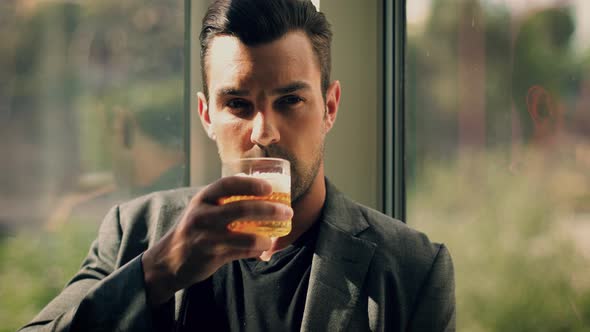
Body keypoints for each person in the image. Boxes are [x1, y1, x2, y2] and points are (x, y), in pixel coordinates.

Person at [20, 0, 455, 331]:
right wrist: (160, 270)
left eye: (290, 101)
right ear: (207, 116)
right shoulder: (133, 232)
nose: (264, 132)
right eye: (238, 104)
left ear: (330, 107)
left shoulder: (412, 267)